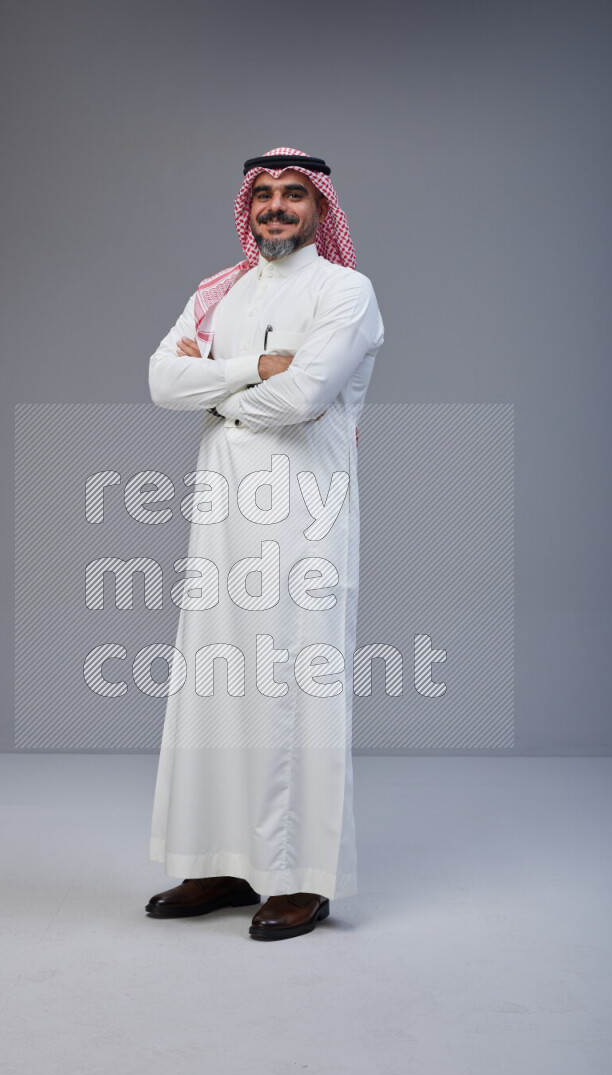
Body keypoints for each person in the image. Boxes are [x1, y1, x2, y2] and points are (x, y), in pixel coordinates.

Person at [145, 147, 384, 941]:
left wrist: (220, 393)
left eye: (293, 196)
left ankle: (302, 879)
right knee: (216, 680)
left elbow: (307, 395)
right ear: (246, 210)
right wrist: (252, 371)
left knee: (294, 685)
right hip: (222, 517)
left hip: (304, 516)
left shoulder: (346, 291)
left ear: (320, 209)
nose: (276, 208)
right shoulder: (220, 291)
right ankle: (219, 859)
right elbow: (159, 382)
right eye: (264, 197)